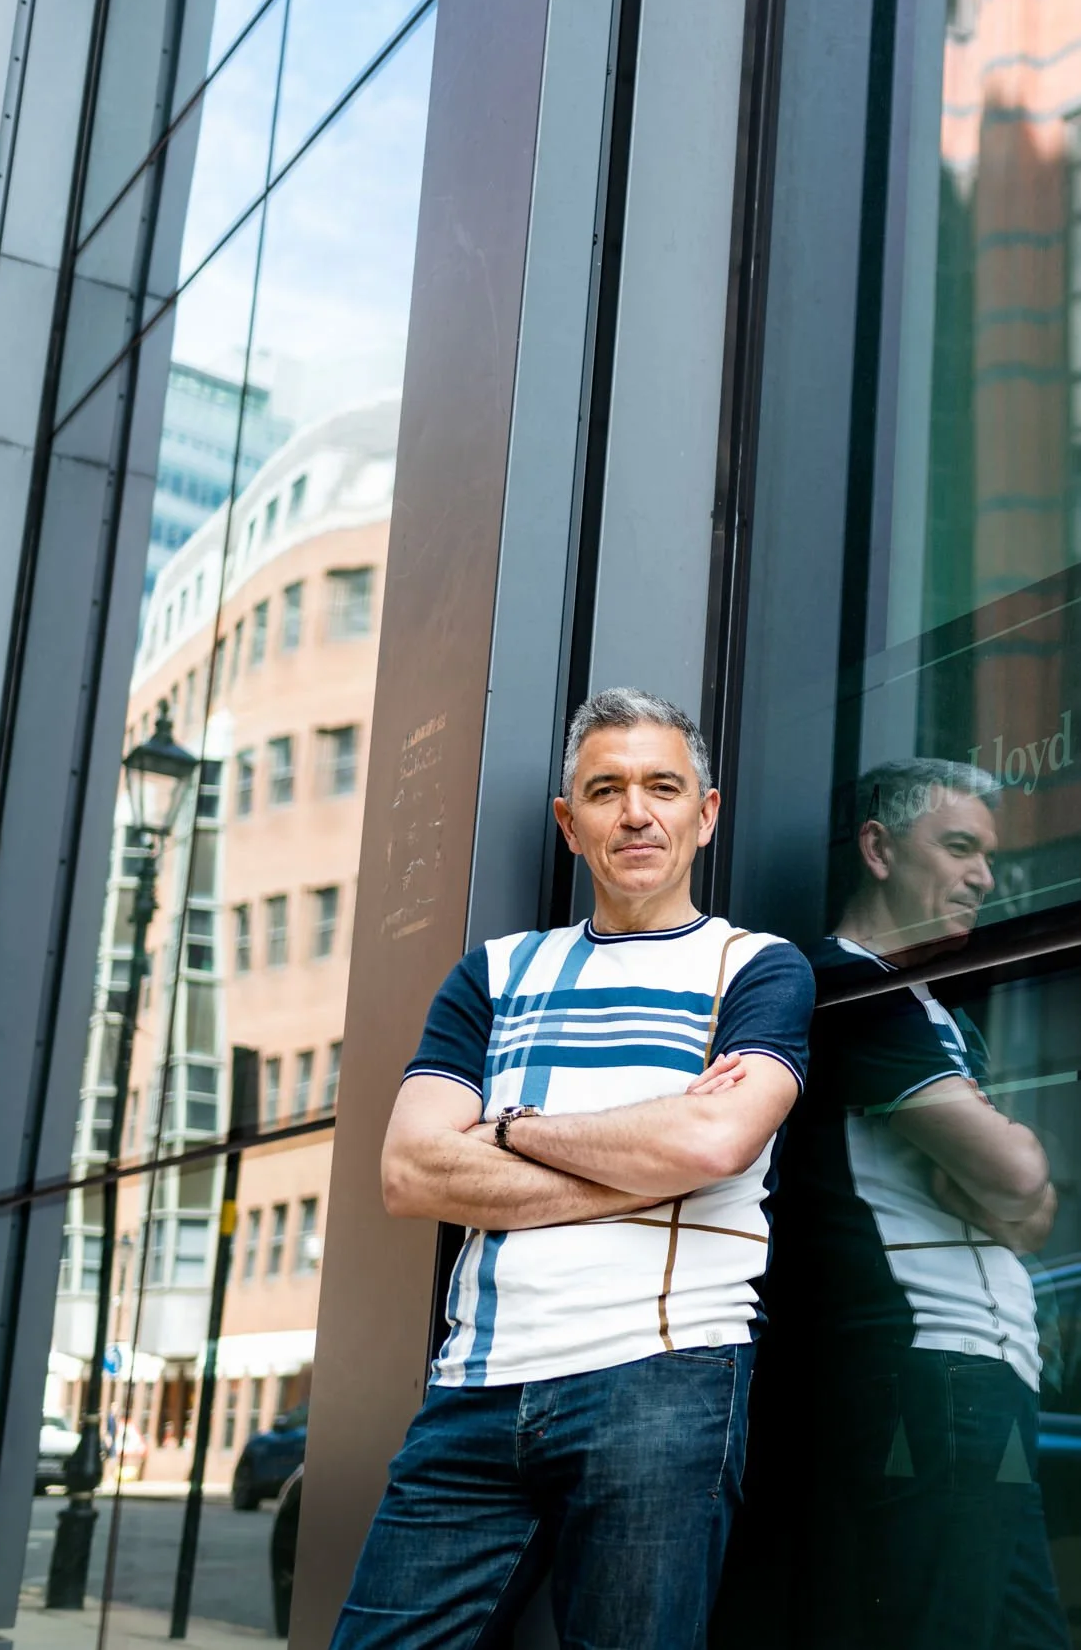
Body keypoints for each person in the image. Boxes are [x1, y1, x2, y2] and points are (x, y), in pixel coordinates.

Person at [333, 689, 814, 1649]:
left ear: (705, 813)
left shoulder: (756, 969)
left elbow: (715, 1146)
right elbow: (410, 1173)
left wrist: (508, 1129)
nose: (636, 812)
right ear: (570, 823)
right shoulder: (495, 974)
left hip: (664, 1379)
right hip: (473, 1389)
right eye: (606, 790)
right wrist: (651, 1157)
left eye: (663, 787)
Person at [747, 757, 1067, 1650]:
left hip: (988, 1374)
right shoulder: (852, 987)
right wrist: (1012, 1167)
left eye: (989, 856)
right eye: (959, 846)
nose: (983, 876)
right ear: (879, 849)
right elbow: (1013, 1178)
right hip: (932, 1374)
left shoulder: (935, 1012)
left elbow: (1034, 1214)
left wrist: (1011, 1176)